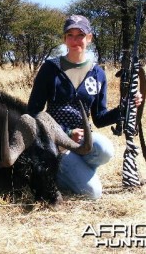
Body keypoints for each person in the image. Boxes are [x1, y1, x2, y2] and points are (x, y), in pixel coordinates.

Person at [27, 15, 143, 200]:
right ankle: (57, 172)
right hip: (57, 145)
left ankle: (73, 172)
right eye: (70, 35)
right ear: (64, 39)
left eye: (80, 35)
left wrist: (125, 107)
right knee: (93, 193)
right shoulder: (49, 68)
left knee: (105, 149)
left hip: (84, 141)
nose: (75, 40)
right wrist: (66, 133)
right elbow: (33, 113)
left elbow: (100, 117)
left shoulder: (98, 73)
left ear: (89, 38)